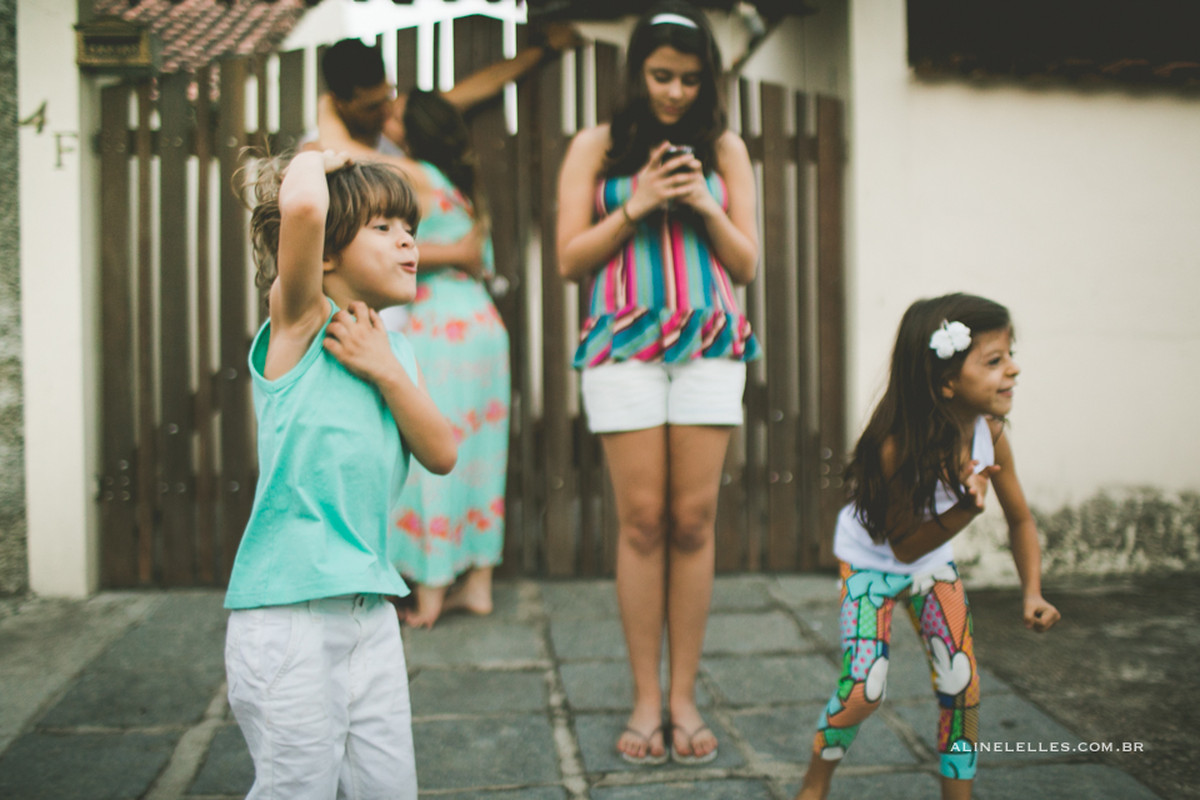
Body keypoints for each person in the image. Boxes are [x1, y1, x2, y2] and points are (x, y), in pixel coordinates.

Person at [555, 0, 760, 767]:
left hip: (709, 341)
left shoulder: (727, 147)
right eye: (661, 76)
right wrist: (637, 203)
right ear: (636, 73)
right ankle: (647, 696)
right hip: (622, 343)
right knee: (642, 521)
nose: (674, 92)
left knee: (694, 521)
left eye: (689, 79)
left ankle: (683, 698)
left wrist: (703, 201)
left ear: (707, 82)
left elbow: (746, 266)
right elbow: (570, 260)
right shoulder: (596, 147)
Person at [222, 149, 457, 800]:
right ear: (326, 253)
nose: (407, 239)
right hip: (286, 619)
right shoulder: (299, 321)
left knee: (389, 788)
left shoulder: (393, 348)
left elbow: (441, 451)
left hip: (369, 615)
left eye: (408, 226)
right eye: (382, 227)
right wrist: (314, 157)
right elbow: (301, 206)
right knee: (297, 789)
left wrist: (384, 368)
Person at [794, 293, 1061, 800]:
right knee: (864, 691)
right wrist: (964, 508)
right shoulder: (894, 446)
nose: (1014, 369)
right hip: (872, 563)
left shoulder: (990, 432)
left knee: (962, 687)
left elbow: (1021, 519)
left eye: (1011, 354)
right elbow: (904, 547)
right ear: (946, 383)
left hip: (932, 562)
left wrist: (1033, 592)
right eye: (994, 360)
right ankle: (814, 784)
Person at [317, 24, 580, 157]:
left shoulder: (402, 119)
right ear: (339, 103)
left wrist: (545, 49)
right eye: (372, 106)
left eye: (388, 96)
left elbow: (480, 86)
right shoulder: (321, 150)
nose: (387, 110)